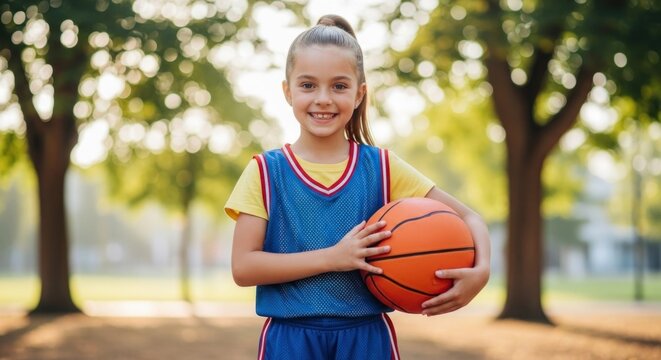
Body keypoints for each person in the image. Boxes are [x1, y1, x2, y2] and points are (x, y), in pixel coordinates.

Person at [225, 14, 490, 360]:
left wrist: (481, 272)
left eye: (339, 86)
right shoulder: (264, 172)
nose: (323, 99)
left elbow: (471, 219)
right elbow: (243, 268)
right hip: (290, 339)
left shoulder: (381, 167)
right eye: (308, 85)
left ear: (359, 93)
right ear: (287, 91)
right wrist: (332, 258)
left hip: (366, 338)